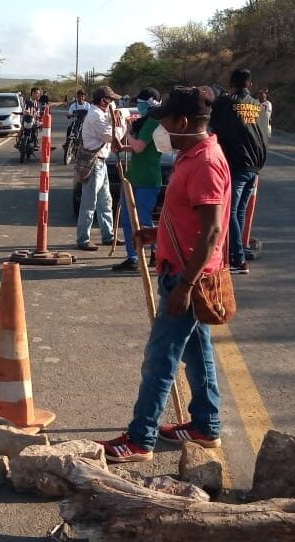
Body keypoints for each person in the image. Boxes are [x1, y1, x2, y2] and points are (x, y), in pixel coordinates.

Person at [96, 86, 231, 462]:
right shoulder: (191, 155)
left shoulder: (205, 163)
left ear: (182, 122)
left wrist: (185, 286)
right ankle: (206, 426)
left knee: (160, 358)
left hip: (189, 277)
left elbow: (212, 232)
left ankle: (140, 439)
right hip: (183, 271)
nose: (161, 130)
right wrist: (156, 234)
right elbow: (189, 220)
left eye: (166, 122)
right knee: (198, 354)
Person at [209, 68, 267, 274]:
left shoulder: (226, 103)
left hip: (236, 166)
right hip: (255, 167)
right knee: (239, 211)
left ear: (231, 84)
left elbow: (211, 126)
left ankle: (238, 259)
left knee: (230, 211)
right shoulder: (258, 106)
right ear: (250, 85)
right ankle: (237, 251)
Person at [113, 88, 163, 272]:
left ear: (149, 104)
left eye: (140, 103)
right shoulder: (145, 122)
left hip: (147, 179)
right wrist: (123, 147)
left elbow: (140, 147)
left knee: (143, 219)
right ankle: (133, 256)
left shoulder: (153, 122)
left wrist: (127, 133)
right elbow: (140, 147)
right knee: (128, 220)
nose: (138, 106)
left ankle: (155, 253)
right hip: (134, 177)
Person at [76, 86, 126, 251]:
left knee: (105, 201)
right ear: (104, 101)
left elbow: (113, 116)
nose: (112, 103)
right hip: (94, 162)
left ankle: (108, 235)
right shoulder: (96, 115)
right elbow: (112, 137)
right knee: (89, 203)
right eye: (110, 100)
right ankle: (83, 239)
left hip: (101, 162)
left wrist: (115, 115)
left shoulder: (101, 113)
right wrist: (121, 124)